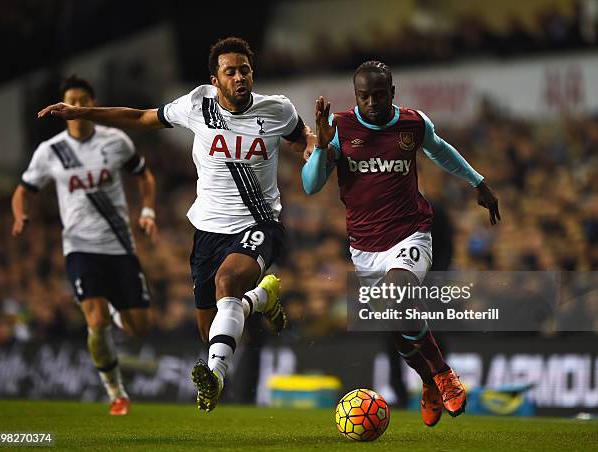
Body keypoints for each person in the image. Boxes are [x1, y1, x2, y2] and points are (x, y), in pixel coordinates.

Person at [37, 37, 313, 412]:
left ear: (252, 73)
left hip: (260, 222)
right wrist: (84, 113)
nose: (239, 78)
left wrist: (317, 144)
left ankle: (214, 375)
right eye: (230, 72)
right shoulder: (197, 105)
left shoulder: (277, 109)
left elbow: (302, 139)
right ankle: (261, 298)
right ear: (215, 80)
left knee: (227, 283)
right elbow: (140, 118)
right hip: (208, 231)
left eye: (244, 70)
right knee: (210, 329)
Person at [302, 61, 500, 427]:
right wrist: (319, 144)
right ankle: (427, 383)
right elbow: (311, 185)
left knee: (400, 292)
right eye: (365, 97)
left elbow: (440, 150)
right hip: (364, 247)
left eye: (379, 95)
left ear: (392, 93)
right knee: (398, 331)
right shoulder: (340, 128)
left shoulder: (412, 123)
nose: (372, 103)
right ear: (355, 95)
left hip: (411, 232)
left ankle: (442, 374)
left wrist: (477, 182)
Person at [13, 75, 157, 416]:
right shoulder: (51, 152)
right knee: (95, 322)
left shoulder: (116, 141)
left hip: (120, 245)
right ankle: (116, 392)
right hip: (79, 247)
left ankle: (111, 312)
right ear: (62, 108)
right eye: (70, 100)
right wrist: (20, 214)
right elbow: (23, 189)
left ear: (93, 104)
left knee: (139, 328)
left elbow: (144, 175)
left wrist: (148, 210)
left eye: (81, 99)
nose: (75, 105)